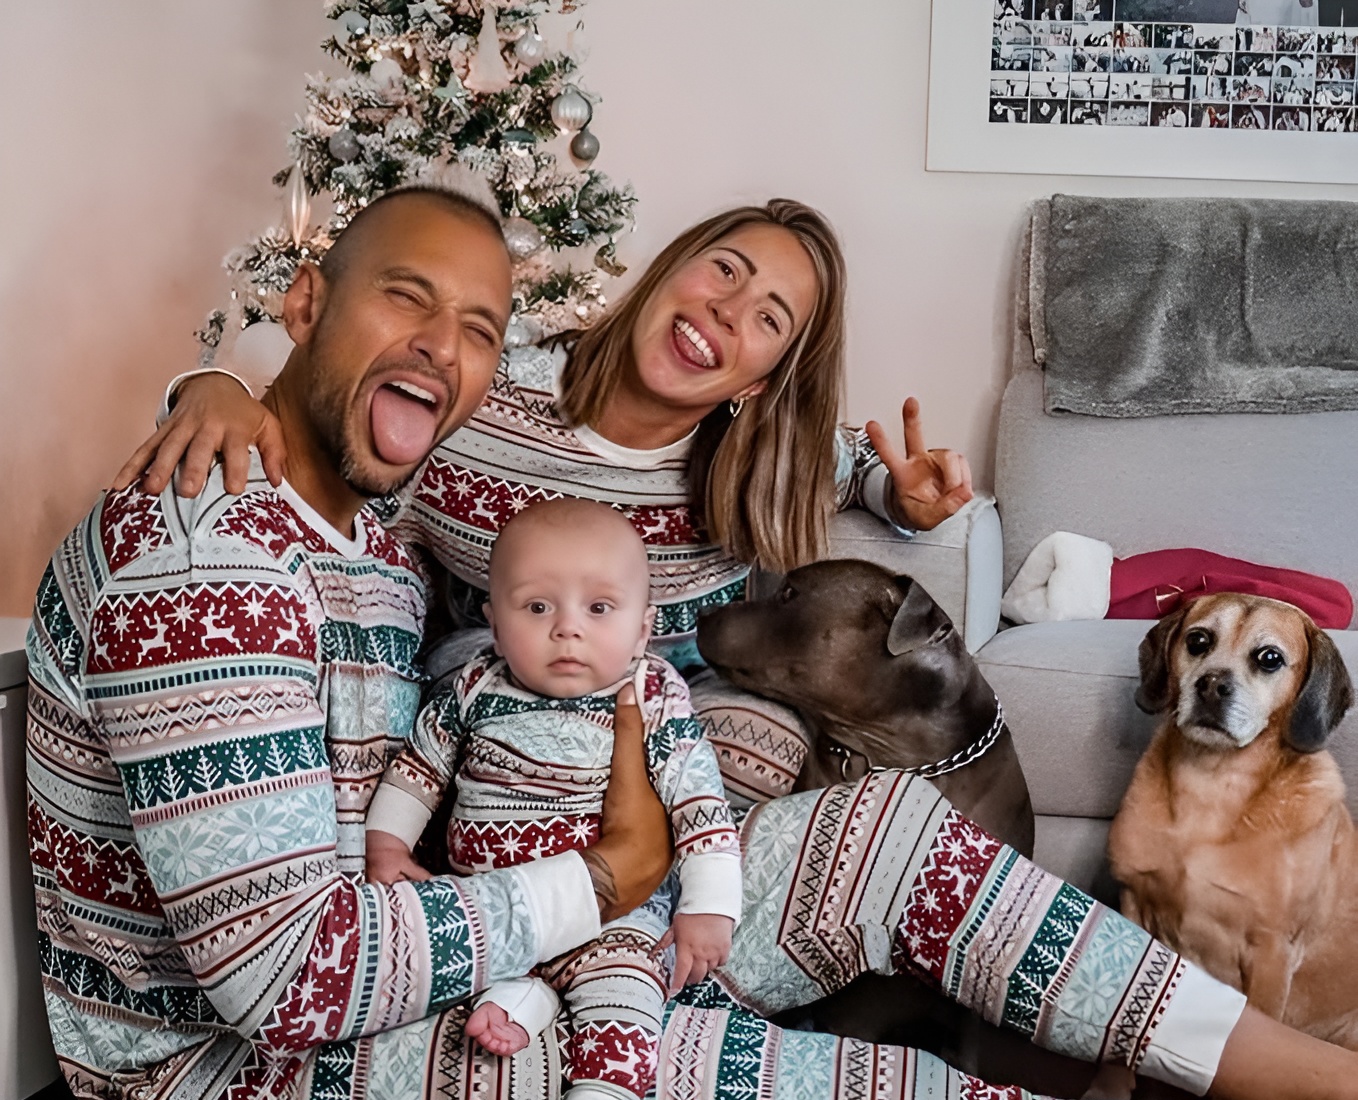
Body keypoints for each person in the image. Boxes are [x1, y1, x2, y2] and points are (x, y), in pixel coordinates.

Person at [31, 179, 1358, 1100]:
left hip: (473, 931)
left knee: (889, 829)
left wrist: (905, 501)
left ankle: (1303, 1077)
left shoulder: (374, 529)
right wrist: (606, 873)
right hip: (253, 1092)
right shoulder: (202, 558)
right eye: (406, 300)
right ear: (306, 301)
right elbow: (285, 978)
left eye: (480, 328)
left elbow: (838, 469)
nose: (443, 352)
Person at [114, 198, 977, 804]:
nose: (725, 307)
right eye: (723, 269)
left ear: (762, 379)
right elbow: (320, 421)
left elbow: (863, 461)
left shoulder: (765, 458)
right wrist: (210, 384)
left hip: (671, 709)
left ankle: (672, 971)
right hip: (500, 699)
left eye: (768, 317)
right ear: (671, 270)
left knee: (762, 745)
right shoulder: (487, 396)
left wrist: (904, 501)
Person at [364, 497, 743, 1100]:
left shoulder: (652, 691)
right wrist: (388, 845)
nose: (568, 628)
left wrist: (709, 905)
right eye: (537, 608)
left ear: (643, 628)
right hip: (495, 904)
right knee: (447, 961)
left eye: (600, 609)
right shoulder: (476, 686)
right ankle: (526, 996)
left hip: (615, 919)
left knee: (630, 998)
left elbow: (698, 802)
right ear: (495, 624)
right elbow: (418, 769)